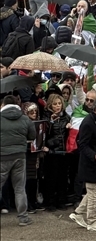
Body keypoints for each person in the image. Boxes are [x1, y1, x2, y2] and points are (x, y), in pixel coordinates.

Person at [70, 96, 96, 232]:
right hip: (90, 163)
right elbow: (82, 144)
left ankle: (78, 213)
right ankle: (92, 221)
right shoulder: (88, 122)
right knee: (94, 192)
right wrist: (94, 155)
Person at [0, 94, 36, 227]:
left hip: (2, 156)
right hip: (20, 156)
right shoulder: (25, 119)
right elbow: (32, 135)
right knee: (20, 188)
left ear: (3, 105)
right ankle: (23, 218)